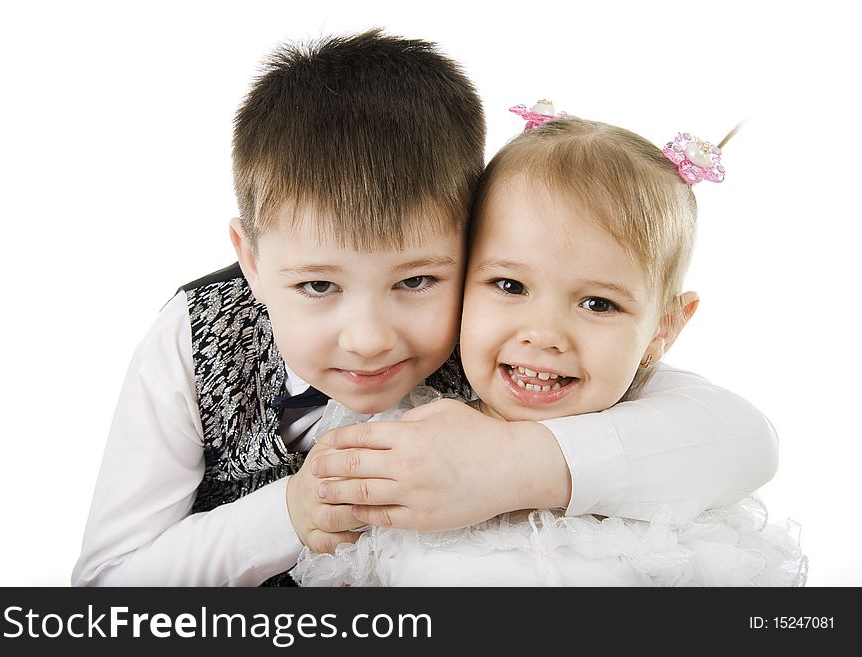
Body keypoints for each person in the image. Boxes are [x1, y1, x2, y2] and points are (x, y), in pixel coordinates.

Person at [72, 30, 777, 587]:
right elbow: (106, 587)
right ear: (252, 258)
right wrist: (290, 513)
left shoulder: (514, 343)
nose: (370, 338)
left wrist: (514, 461)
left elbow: (743, 439)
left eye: (416, 281)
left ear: (473, 243)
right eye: (318, 285)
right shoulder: (192, 339)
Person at [290, 112, 806, 586]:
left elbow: (752, 441)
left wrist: (512, 462)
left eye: (599, 304)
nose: (544, 334)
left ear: (662, 328)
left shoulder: (655, 405)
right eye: (510, 286)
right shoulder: (415, 420)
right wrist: (311, 507)